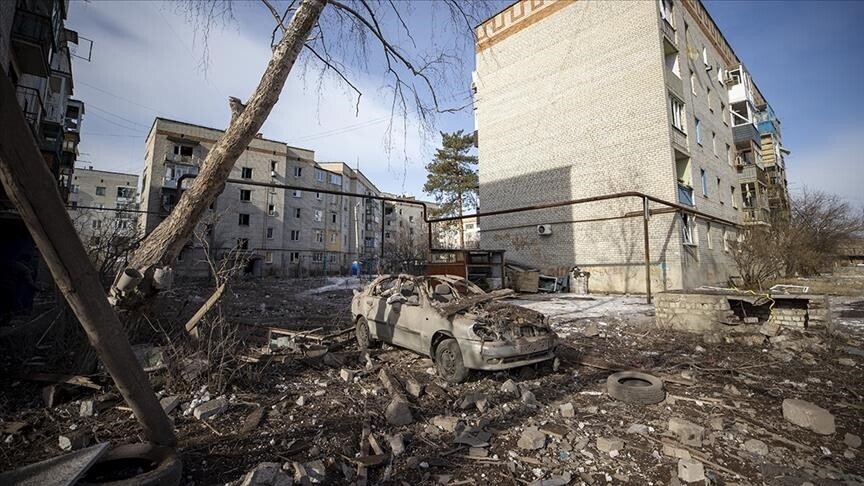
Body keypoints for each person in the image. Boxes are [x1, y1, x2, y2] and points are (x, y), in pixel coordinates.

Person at [0, 254, 38, 325]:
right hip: (9, 288)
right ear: (26, 261)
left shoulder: (6, 263)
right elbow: (30, 283)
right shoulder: (24, 268)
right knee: (8, 306)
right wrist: (39, 289)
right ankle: (5, 322)